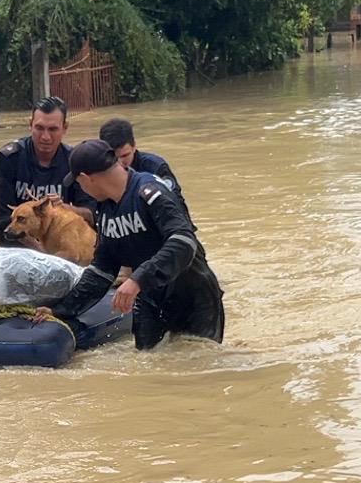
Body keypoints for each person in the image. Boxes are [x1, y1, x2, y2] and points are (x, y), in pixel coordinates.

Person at [35, 140, 224, 349]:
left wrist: (137, 279)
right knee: (146, 362)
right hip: (150, 298)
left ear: (86, 178)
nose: (81, 188)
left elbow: (183, 242)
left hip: (193, 297)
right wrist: (61, 310)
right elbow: (102, 270)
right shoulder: (105, 210)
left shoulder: (151, 192)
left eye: (78, 183)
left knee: (199, 362)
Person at [0, 96, 95, 246]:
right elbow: (2, 218)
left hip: (59, 244)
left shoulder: (75, 161)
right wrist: (40, 251)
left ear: (65, 128)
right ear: (30, 125)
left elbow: (91, 215)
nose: (45, 137)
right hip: (17, 244)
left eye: (53, 129)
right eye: (39, 128)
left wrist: (64, 208)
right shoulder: (8, 159)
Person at [98, 116, 193, 216]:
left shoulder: (155, 167)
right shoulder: (99, 173)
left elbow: (176, 204)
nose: (120, 163)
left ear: (134, 146)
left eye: (125, 155)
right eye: (115, 158)